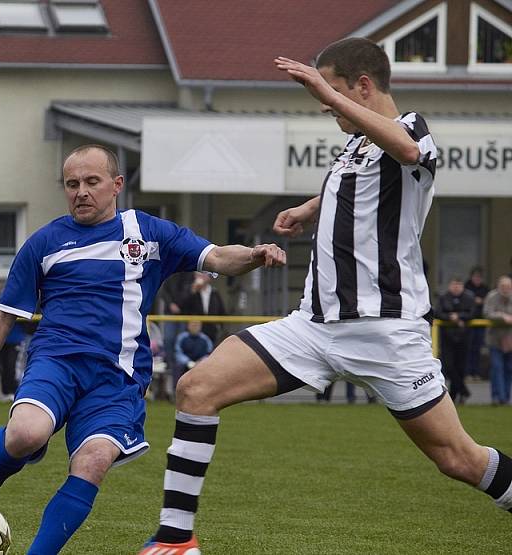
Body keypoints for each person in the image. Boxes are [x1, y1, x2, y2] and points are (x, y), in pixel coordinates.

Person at [140, 38, 511, 554]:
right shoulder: (356, 145)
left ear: (362, 86)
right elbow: (362, 182)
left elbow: (405, 153)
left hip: (385, 331)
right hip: (312, 326)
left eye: (332, 90)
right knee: (197, 388)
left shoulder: (412, 129)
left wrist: (330, 95)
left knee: (458, 460)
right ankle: (175, 541)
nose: (323, 103)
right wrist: (309, 208)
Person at [0, 144, 285, 554]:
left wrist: (255, 255)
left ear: (116, 185)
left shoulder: (149, 232)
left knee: (94, 461)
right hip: (56, 362)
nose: (81, 191)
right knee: (26, 435)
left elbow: (217, 257)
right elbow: (2, 316)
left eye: (91, 181)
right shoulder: (44, 242)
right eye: (72, 184)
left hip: (117, 379)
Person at [435, 277, 475, 404]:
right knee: (449, 365)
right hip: (447, 337)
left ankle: (455, 395)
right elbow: (437, 313)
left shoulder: (469, 297)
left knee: (461, 367)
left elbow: (473, 313)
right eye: (454, 284)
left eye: (459, 285)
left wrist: (459, 316)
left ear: (462, 286)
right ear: (449, 286)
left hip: (464, 336)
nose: (456, 287)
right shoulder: (443, 297)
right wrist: (449, 317)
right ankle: (464, 391)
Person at [483, 275, 512, 405]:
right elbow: (487, 313)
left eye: (508, 287)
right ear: (498, 286)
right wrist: (502, 316)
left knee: (508, 368)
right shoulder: (491, 296)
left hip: (510, 338)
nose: (505, 289)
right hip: (494, 338)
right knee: (497, 367)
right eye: (503, 286)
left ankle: (505, 397)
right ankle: (497, 397)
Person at [178, 272, 227, 345]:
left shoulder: (214, 292)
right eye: (199, 274)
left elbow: (221, 310)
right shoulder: (190, 290)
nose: (202, 277)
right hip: (195, 329)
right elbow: (182, 307)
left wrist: (220, 326)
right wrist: (193, 291)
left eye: (204, 274)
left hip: (211, 328)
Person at [464, 266, 490, 380]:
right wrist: (475, 301)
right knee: (468, 348)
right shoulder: (466, 287)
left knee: (477, 348)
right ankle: (468, 372)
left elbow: (488, 302)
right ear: (471, 277)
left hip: (481, 322)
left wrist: (482, 301)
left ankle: (476, 372)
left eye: (479, 277)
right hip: (469, 322)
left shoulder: (485, 288)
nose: (477, 279)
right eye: (475, 277)